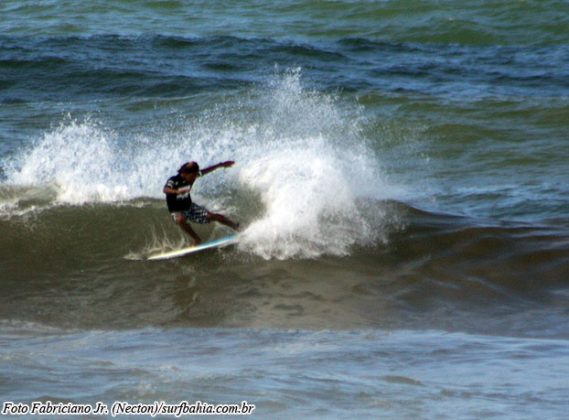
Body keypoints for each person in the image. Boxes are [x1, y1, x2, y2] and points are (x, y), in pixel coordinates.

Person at [163, 160, 239, 245]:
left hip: (190, 207)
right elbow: (165, 189)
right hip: (176, 210)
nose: (194, 177)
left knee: (213, 216)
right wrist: (176, 191)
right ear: (186, 173)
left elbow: (205, 171)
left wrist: (220, 165)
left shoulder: (192, 176)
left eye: (196, 175)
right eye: (193, 175)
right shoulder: (173, 180)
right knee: (180, 219)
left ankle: (236, 227)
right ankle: (196, 239)